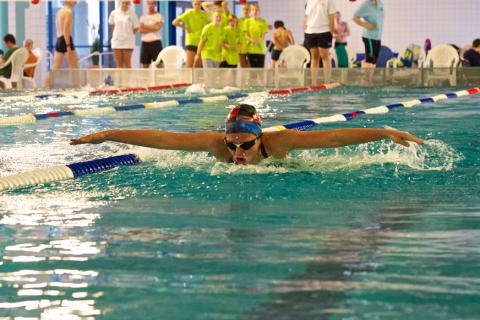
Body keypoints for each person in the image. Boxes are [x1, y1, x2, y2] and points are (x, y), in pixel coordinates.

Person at [70, 104, 423, 166]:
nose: (237, 151)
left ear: (259, 138)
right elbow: (164, 139)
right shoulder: (214, 144)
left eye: (246, 144)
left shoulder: (278, 142)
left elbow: (333, 138)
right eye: (232, 144)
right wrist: (110, 134)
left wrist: (384, 131)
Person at [45, 0, 78, 88]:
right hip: (66, 40)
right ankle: (77, 87)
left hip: (59, 39)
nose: (76, 1)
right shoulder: (68, 12)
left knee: (55, 67)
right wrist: (68, 46)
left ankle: (45, 86)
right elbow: (66, 30)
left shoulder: (59, 12)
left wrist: (62, 42)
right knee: (74, 67)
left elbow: (58, 29)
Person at [304, 0, 336, 84]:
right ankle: (313, 82)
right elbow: (306, 17)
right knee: (314, 57)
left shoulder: (329, 1)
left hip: (324, 31)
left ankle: (327, 81)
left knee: (324, 56)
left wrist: (331, 34)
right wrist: (305, 30)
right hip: (310, 32)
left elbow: (332, 18)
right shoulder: (309, 1)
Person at [172, 0, 210, 68]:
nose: (197, 6)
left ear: (201, 4)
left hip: (201, 43)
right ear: (192, 4)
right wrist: (186, 28)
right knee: (189, 67)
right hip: (191, 42)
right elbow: (174, 22)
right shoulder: (189, 13)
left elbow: (209, 25)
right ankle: (187, 79)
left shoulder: (203, 14)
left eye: (198, 4)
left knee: (199, 68)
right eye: (195, 4)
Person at [353, 0, 384, 68]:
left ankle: (370, 78)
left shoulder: (380, 3)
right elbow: (354, 17)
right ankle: (367, 78)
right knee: (370, 61)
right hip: (369, 36)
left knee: (374, 61)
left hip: (378, 37)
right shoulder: (366, 5)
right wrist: (365, 25)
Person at [109, 0, 139, 68]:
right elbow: (112, 24)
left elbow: (136, 28)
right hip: (117, 41)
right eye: (123, 3)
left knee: (127, 63)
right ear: (120, 2)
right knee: (119, 63)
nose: (125, 4)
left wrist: (128, 34)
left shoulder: (132, 14)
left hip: (128, 41)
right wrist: (119, 33)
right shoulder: (114, 13)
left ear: (129, 4)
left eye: (127, 3)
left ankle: (128, 79)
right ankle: (119, 79)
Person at [139, 0, 163, 68]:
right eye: (149, 4)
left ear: (155, 4)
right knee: (145, 65)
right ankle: (145, 79)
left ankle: (159, 79)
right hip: (145, 43)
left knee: (158, 64)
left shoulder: (159, 16)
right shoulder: (143, 16)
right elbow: (140, 29)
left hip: (156, 42)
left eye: (152, 4)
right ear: (147, 4)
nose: (150, 5)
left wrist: (145, 26)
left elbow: (157, 28)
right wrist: (153, 26)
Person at [244, 4, 269, 68]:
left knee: (260, 71)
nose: (255, 11)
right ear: (251, 11)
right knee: (251, 72)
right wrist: (252, 41)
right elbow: (246, 36)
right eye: (253, 10)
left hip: (260, 50)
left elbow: (263, 36)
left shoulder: (263, 22)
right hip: (250, 49)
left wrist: (257, 42)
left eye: (256, 10)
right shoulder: (247, 21)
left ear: (259, 11)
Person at [238, 3, 250, 68]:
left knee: (251, 66)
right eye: (244, 9)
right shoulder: (238, 21)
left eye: (247, 9)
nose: (246, 10)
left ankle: (250, 78)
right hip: (241, 47)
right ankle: (245, 78)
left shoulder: (252, 21)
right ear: (242, 10)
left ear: (250, 10)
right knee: (243, 66)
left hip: (251, 48)